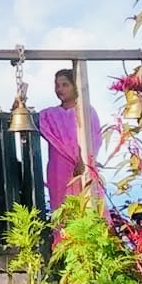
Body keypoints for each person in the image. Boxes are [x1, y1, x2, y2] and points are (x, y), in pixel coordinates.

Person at [37, 67, 103, 210]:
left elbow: (95, 139)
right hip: (58, 171)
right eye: (57, 85)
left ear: (76, 86)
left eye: (65, 85)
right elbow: (32, 124)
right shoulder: (49, 115)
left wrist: (83, 161)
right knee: (62, 211)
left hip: (82, 168)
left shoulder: (86, 112)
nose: (59, 89)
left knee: (87, 207)